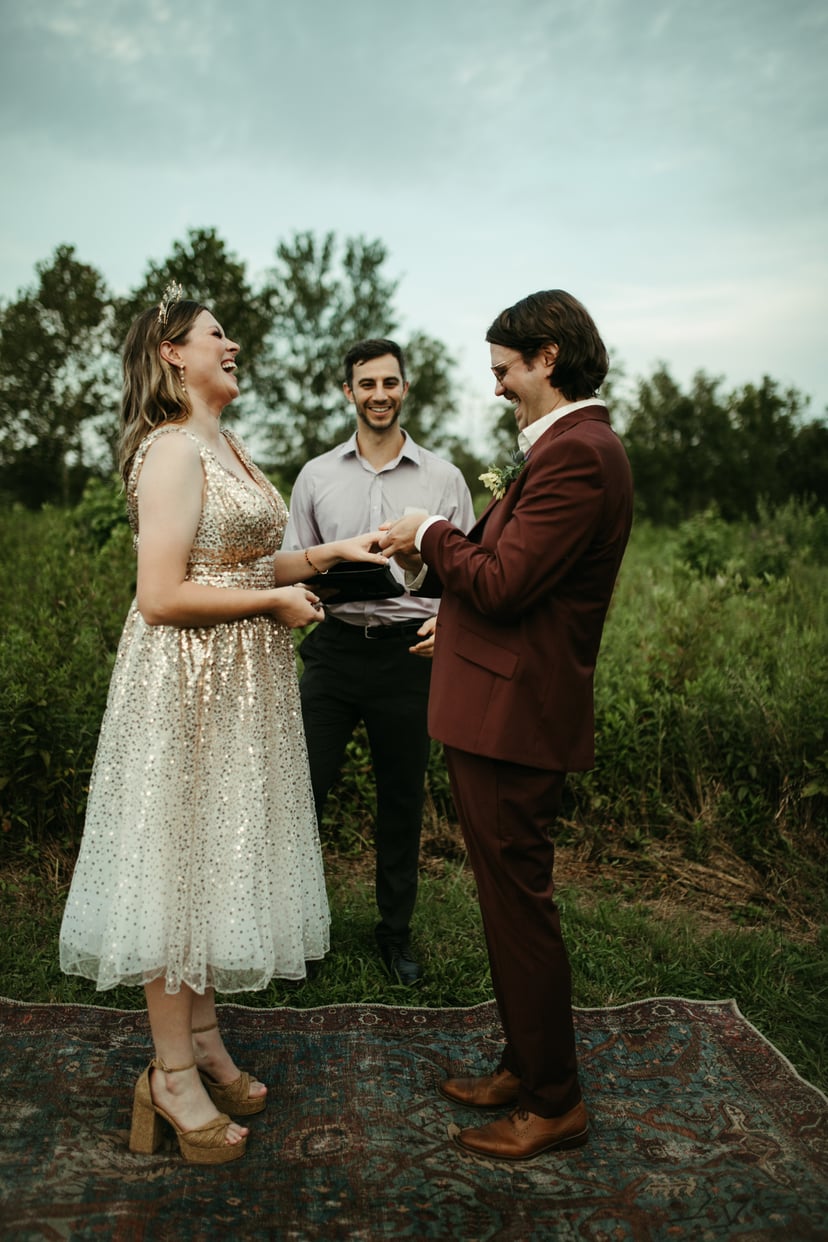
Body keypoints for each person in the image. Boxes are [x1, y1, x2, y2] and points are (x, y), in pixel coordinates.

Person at [59, 285, 389, 1164]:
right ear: (173, 352)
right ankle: (169, 1075)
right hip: (185, 685)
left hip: (242, 686)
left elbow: (239, 560)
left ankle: (203, 1040)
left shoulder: (226, 443)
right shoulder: (171, 449)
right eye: (216, 334)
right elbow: (162, 596)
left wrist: (324, 557)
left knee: (213, 857)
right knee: (177, 864)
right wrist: (273, 604)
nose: (232, 343)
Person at [379, 290, 633, 1160]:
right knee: (503, 900)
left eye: (503, 370)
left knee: (519, 907)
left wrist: (430, 530)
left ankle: (555, 1100)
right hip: (497, 704)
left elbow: (503, 582)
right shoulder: (564, 449)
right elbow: (516, 581)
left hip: (516, 717)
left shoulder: (580, 454)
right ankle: (525, 1065)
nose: (495, 387)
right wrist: (452, 619)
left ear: (548, 357)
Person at [283, 339, 474, 984]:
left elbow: (469, 572)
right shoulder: (315, 476)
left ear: (405, 388)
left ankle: (395, 936)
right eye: (367, 384)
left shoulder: (444, 479)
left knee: (400, 800)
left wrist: (449, 623)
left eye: (390, 382)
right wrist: (310, 593)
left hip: (409, 655)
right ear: (349, 392)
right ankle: (299, 934)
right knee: (303, 793)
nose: (380, 394)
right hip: (333, 652)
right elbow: (294, 564)